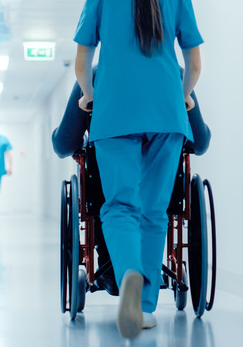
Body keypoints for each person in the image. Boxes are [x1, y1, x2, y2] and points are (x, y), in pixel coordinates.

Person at [73, 0, 203, 339]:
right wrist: (183, 95)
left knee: (118, 207)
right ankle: (146, 305)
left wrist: (90, 95)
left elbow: (82, 62)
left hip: (115, 116)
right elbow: (195, 63)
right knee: (154, 211)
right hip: (168, 115)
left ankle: (128, 274)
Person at [51, 67, 212, 296]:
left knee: (113, 201)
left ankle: (116, 272)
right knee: (153, 204)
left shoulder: (95, 75)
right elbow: (200, 143)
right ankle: (146, 278)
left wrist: (58, 135)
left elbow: (64, 145)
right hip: (162, 194)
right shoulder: (175, 74)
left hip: (107, 193)